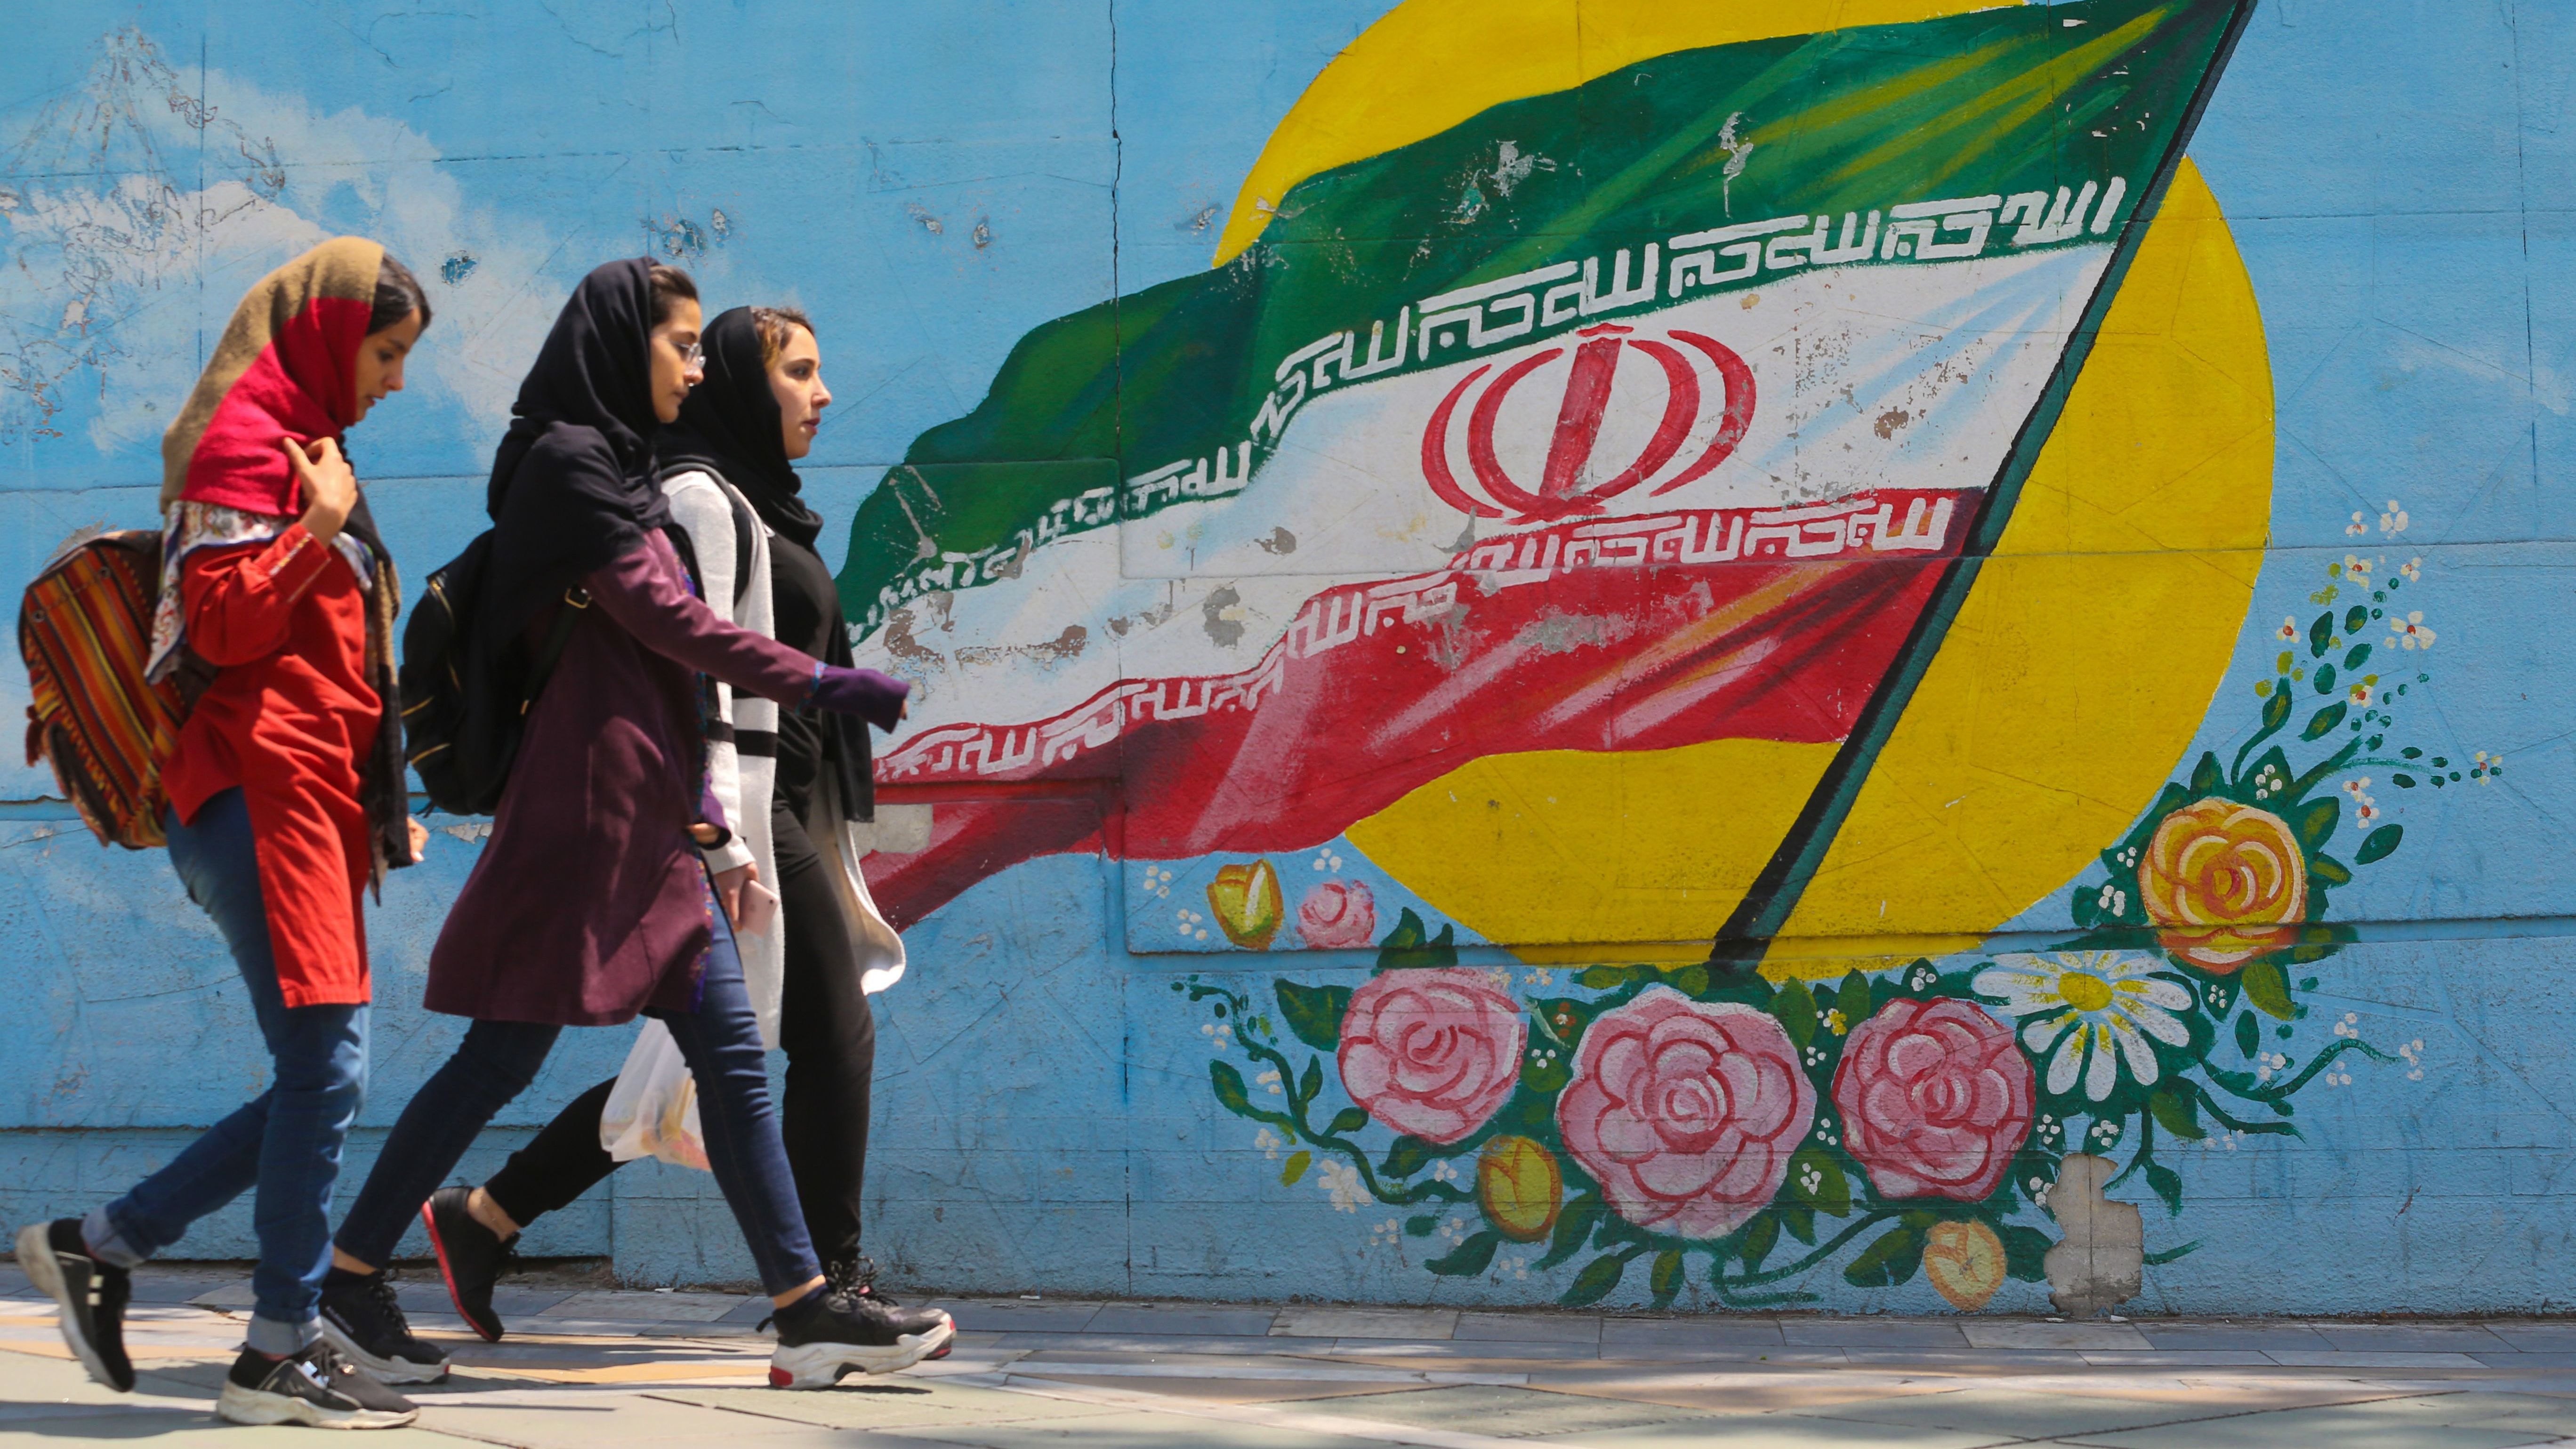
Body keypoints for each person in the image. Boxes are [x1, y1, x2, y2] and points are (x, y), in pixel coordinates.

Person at [312, 259, 951, 1391]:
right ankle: (350, 1274)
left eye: (706, 348)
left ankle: (804, 1305)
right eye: (683, 345)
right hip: (583, 818)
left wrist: (711, 824)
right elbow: (671, 623)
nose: (697, 368)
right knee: (496, 1061)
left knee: (734, 1064)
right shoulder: (568, 466)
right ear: (621, 344)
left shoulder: (614, 464)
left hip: (648, 813)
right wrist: (829, 684)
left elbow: (658, 676)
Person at [15, 238, 434, 1430]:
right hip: (259, 789)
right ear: (327, 332)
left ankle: (108, 1246)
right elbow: (219, 625)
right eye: (388, 352)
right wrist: (317, 529)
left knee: (321, 1071)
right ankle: (274, 1345)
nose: (396, 380)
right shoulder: (240, 448)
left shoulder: (307, 447)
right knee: (329, 1068)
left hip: (302, 800)